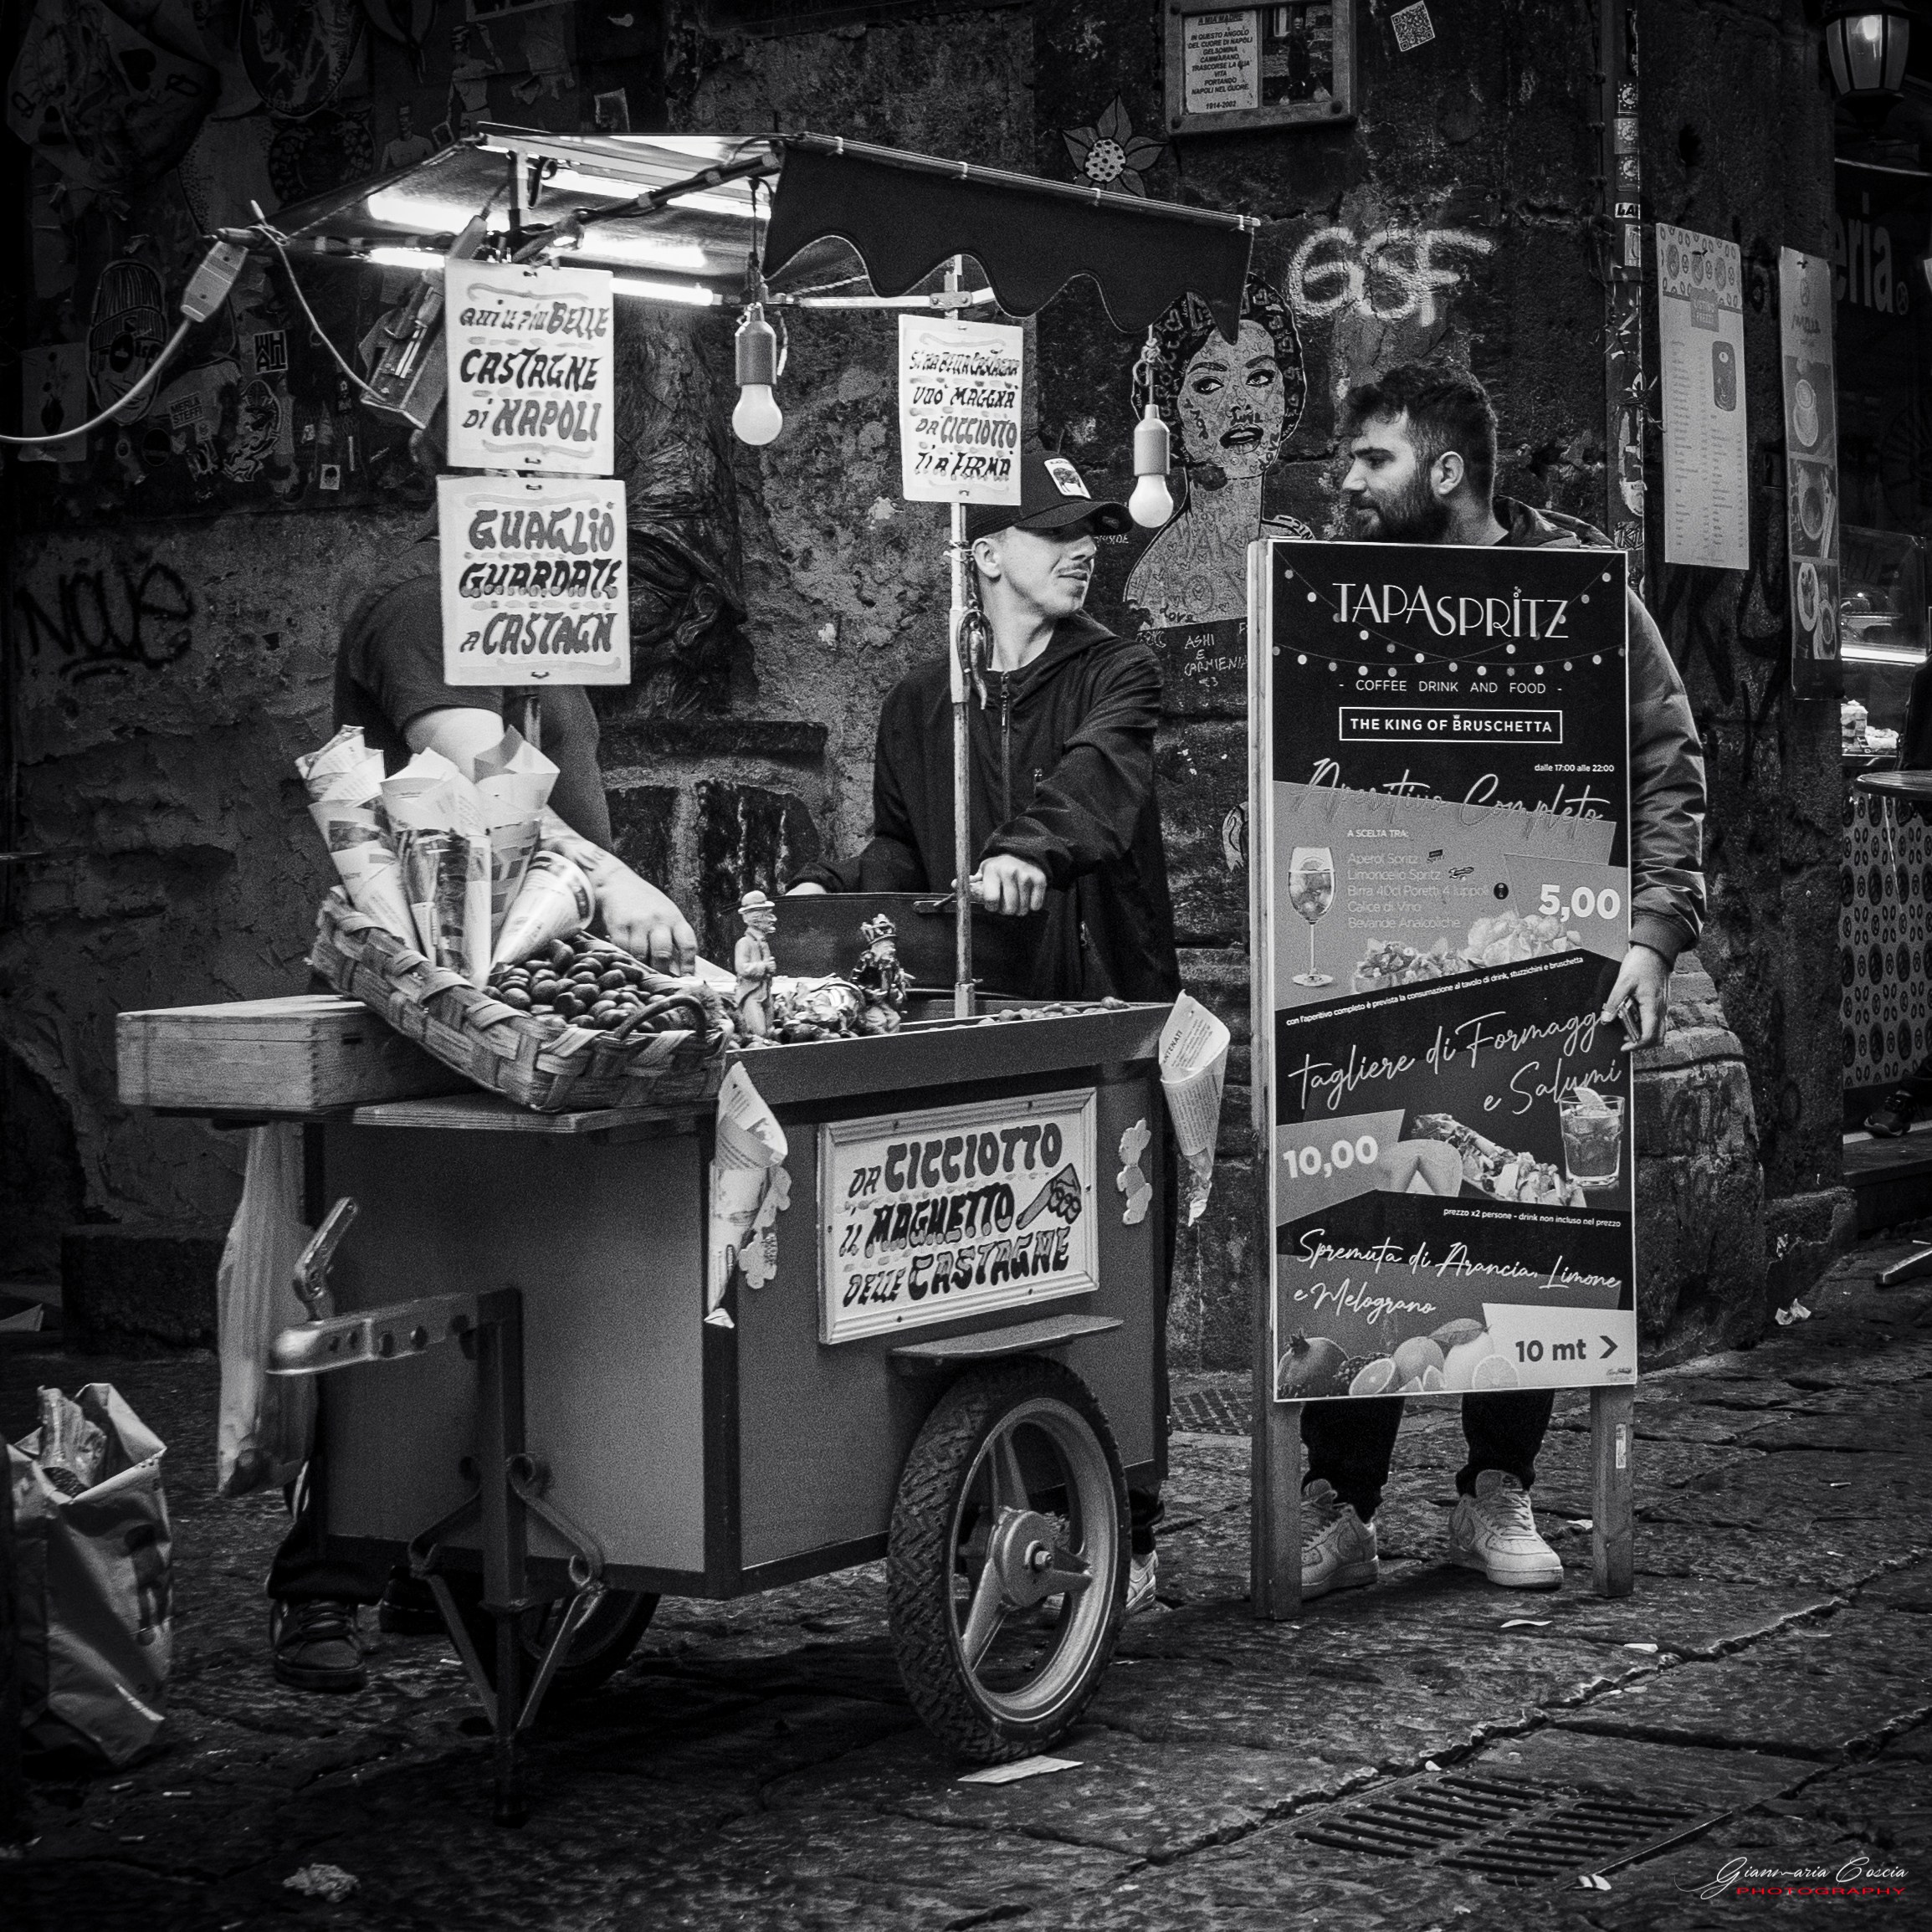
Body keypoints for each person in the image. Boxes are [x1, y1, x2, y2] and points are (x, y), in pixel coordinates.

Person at [268, 410, 697, 1694]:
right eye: (551, 481)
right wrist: (619, 879)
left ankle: (442, 1561)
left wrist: (624, 926)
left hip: (536, 992)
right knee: (395, 1272)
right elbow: (487, 765)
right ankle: (323, 1581)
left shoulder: (555, 640)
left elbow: (555, 803)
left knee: (521, 1272)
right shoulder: (417, 608)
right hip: (418, 1004)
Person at [1299, 362, 1707, 1599]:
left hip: (1546, 952)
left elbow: (1667, 762)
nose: (1346, 482)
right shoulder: (1334, 592)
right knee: (1367, 1204)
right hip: (1376, 947)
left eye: (1371, 460)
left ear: (1446, 470)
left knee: (1534, 1218)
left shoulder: (1583, 595)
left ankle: (1498, 1486)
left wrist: (1649, 936)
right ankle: (1341, 1503)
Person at [789, 443, 1179, 1612]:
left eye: (1093, 530)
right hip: (965, 1017)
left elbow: (1097, 780)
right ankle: (987, 1501)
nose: (1082, 548)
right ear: (984, 554)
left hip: (1091, 1004)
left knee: (1108, 1264)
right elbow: (904, 847)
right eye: (1056, 529)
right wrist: (840, 890)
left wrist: (1026, 852)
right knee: (984, 1265)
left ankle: (1131, 1524)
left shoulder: (1119, 671)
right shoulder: (923, 699)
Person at [1124, 277, 1310, 631]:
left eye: (1259, 378)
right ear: (1170, 411)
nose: (1240, 406)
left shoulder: (1294, 546)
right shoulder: (1158, 587)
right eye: (1209, 385)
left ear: (1287, 393)